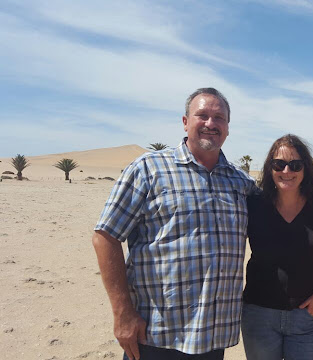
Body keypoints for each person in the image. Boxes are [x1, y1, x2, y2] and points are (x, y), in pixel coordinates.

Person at [92, 87, 256, 360]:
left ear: (227, 127)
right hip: (155, 334)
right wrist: (123, 313)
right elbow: (105, 236)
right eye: (201, 115)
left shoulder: (241, 182)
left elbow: (284, 204)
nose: (210, 124)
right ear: (185, 122)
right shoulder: (148, 169)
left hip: (213, 337)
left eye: (219, 118)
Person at [241, 134, 313, 360]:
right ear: (269, 168)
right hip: (259, 314)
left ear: (306, 169)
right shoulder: (253, 204)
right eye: (278, 164)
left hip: (306, 316)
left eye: (295, 165)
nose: (286, 171)